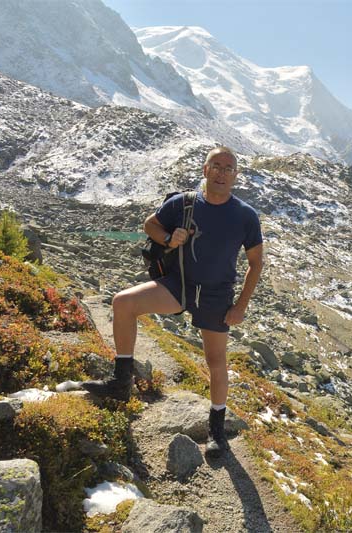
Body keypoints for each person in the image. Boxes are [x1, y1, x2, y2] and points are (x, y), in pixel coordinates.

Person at [82, 146, 264, 458]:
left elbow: (256, 263)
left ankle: (216, 430)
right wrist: (168, 239)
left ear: (236, 176)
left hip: (216, 295)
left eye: (228, 168)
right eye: (216, 166)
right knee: (123, 302)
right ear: (205, 170)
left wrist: (240, 306)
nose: (221, 173)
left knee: (216, 361)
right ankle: (121, 382)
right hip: (178, 284)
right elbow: (150, 224)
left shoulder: (245, 216)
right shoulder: (184, 203)